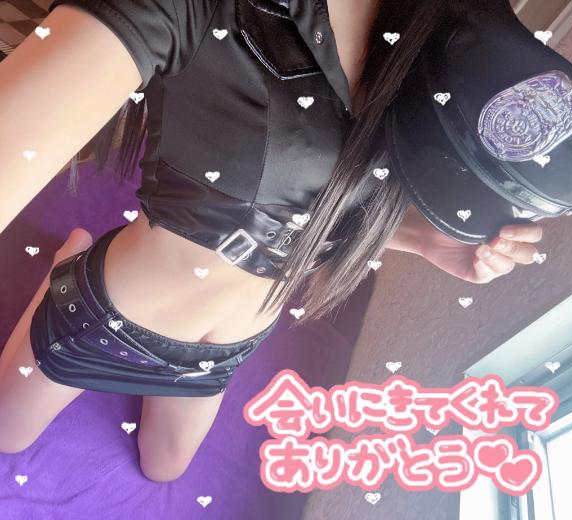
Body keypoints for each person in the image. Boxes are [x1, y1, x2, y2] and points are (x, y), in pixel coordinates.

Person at [0, 0, 543, 482]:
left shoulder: (445, 37)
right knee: (7, 437)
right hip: (108, 317)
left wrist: (424, 241)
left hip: (227, 350)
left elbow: (318, 206)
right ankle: (69, 271)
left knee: (164, 469)